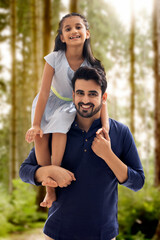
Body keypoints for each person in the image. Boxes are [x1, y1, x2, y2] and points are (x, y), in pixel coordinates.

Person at [20, 66, 145, 240]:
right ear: (73, 95)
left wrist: (108, 155)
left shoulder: (120, 132)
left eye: (92, 94)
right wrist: (48, 171)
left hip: (103, 235)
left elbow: (138, 181)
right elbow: (25, 171)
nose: (85, 100)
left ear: (104, 97)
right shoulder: (58, 130)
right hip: (57, 233)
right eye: (80, 93)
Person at [25, 13, 109, 208]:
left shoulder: (93, 66)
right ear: (62, 37)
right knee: (40, 137)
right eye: (68, 28)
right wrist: (36, 124)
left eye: (78, 27)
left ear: (87, 33)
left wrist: (105, 126)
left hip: (69, 104)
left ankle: (56, 168)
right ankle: (50, 188)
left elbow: (103, 99)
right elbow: (44, 92)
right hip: (48, 101)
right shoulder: (54, 58)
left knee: (61, 125)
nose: (73, 31)